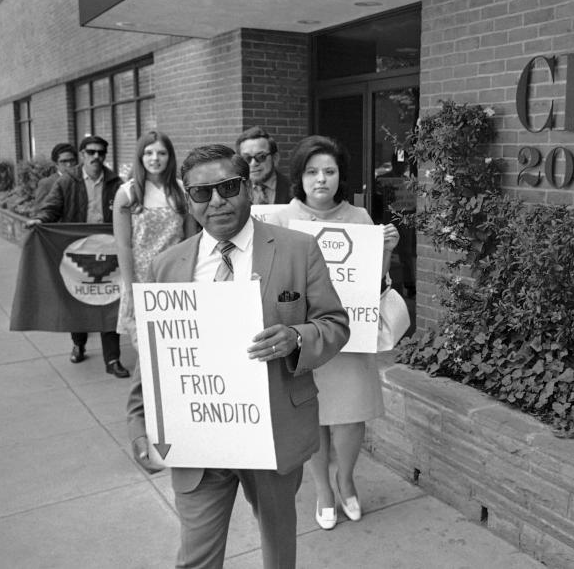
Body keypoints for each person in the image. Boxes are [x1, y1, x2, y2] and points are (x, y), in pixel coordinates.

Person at [126, 144, 349, 569]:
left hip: (272, 429)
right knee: (197, 557)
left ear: (247, 188)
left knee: (278, 550)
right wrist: (139, 419)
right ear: (188, 198)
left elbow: (335, 324)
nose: (216, 201)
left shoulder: (298, 250)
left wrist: (297, 338)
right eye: (201, 192)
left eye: (227, 187)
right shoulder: (167, 266)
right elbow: (156, 352)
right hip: (199, 438)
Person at [272, 135, 399, 531]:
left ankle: (345, 480)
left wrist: (387, 251)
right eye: (312, 172)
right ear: (300, 177)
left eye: (329, 171)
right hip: (305, 335)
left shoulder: (359, 218)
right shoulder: (280, 219)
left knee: (349, 415)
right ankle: (323, 489)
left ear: (341, 175)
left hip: (351, 333)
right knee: (312, 415)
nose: (321, 179)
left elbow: (373, 281)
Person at [30, 135, 127, 378]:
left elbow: (128, 211)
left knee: (108, 302)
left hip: (108, 252)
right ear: (82, 155)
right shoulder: (67, 183)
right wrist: (41, 220)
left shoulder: (117, 183)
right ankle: (79, 344)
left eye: (100, 153)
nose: (96, 157)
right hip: (77, 252)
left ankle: (112, 359)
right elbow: (51, 207)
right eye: (91, 152)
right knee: (78, 301)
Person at [112, 131, 194, 349]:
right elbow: (123, 244)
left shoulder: (181, 190)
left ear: (170, 156)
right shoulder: (127, 193)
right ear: (140, 156)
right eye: (148, 152)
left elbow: (191, 238)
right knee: (147, 350)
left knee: (177, 344)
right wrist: (130, 289)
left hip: (176, 277)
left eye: (161, 153)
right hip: (141, 280)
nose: (155, 158)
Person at [235, 126, 292, 204]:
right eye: (246, 158)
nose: (253, 163)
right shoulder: (233, 193)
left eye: (261, 156)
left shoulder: (294, 190)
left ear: (275, 158)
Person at [33, 142, 79, 210]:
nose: (69, 164)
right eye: (64, 161)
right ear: (56, 164)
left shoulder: (82, 180)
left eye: (72, 160)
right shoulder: (47, 184)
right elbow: (39, 210)